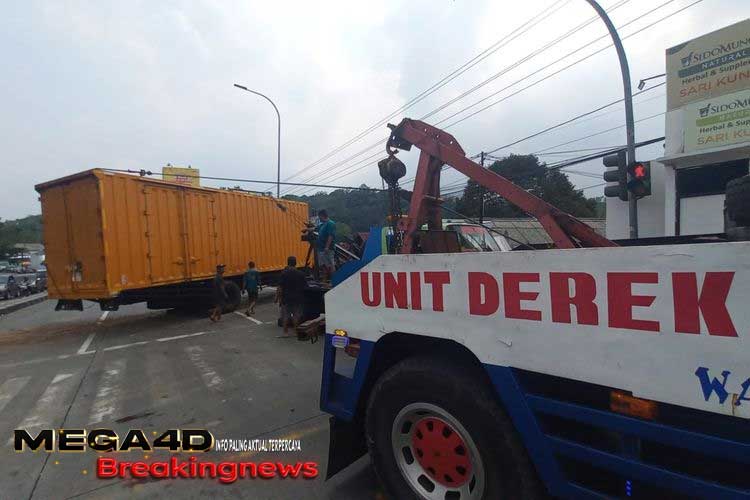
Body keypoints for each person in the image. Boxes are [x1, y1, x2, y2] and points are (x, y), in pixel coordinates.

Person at [278, 256, 307, 337]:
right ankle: (295, 331)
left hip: (286, 298)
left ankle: (285, 332)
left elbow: (280, 288)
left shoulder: (283, 273)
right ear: (295, 263)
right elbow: (305, 286)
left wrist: (280, 299)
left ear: (288, 263)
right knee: (296, 316)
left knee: (285, 316)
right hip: (297, 298)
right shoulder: (301, 274)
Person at [316, 209, 336, 281]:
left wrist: (327, 247)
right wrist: (308, 229)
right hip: (321, 249)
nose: (319, 218)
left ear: (322, 216)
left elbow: (330, 236)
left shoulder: (330, 223)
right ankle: (324, 280)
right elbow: (315, 228)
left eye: (319, 217)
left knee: (330, 265)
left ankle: (333, 280)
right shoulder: (322, 225)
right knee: (323, 265)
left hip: (327, 249)